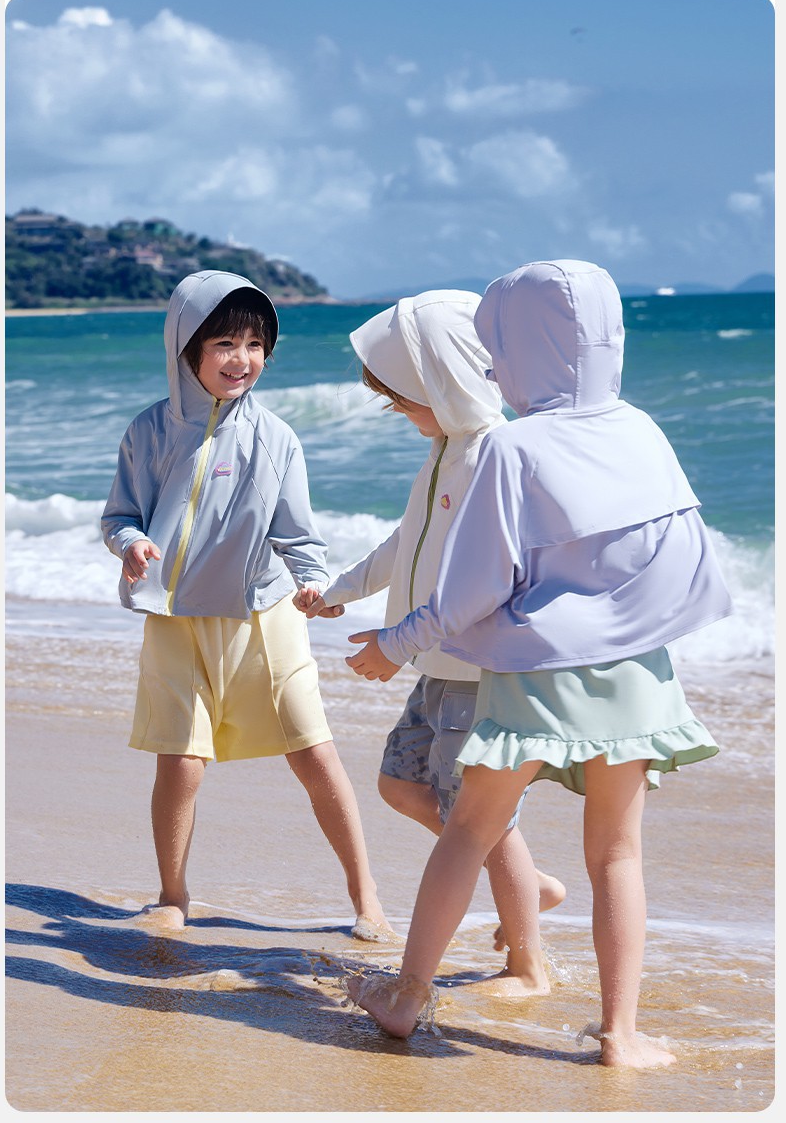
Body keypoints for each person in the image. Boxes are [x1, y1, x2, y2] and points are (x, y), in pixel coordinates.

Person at [343, 260, 732, 1066]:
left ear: (517, 350)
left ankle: (406, 997)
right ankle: (620, 1033)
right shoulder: (642, 430)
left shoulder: (512, 447)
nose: (493, 370)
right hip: (638, 673)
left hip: (537, 670)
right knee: (617, 852)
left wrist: (394, 643)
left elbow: (473, 588)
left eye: (499, 350)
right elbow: (685, 553)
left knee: (468, 830)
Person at [101, 269, 390, 939]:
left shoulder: (276, 437)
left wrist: (315, 585)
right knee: (181, 762)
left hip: (265, 617)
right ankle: (173, 895)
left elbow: (298, 534)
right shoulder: (149, 431)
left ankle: (366, 895)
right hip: (175, 619)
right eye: (225, 343)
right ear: (188, 348)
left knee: (313, 752)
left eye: (256, 345)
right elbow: (119, 516)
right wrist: (132, 543)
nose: (242, 359)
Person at [302, 291, 565, 994]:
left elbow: (487, 578)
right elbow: (406, 542)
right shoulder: (444, 451)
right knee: (400, 784)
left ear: (444, 383)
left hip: (478, 672)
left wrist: (394, 641)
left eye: (404, 400)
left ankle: (528, 964)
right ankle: (526, 882)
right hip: (437, 666)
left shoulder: (494, 457)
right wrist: (342, 589)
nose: (398, 412)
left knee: (482, 821)